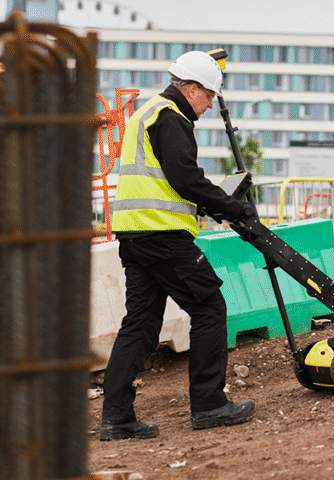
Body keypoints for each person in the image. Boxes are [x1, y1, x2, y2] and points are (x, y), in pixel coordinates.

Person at [100, 50, 256, 440]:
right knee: (208, 306)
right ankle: (209, 405)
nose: (206, 106)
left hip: (135, 233)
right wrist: (232, 207)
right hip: (162, 234)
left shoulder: (148, 113)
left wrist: (217, 207)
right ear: (190, 88)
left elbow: (173, 180)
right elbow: (184, 178)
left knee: (140, 325)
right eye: (206, 96)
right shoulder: (171, 118)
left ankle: (116, 418)